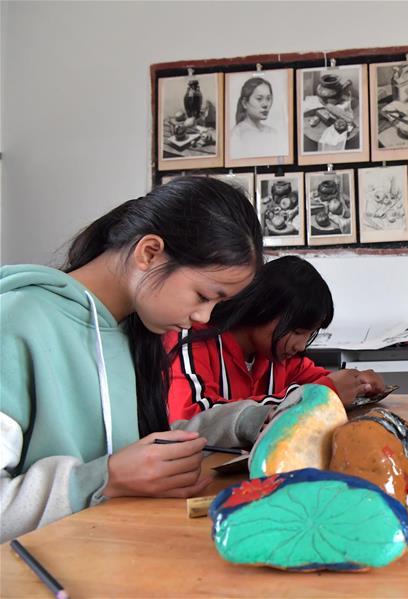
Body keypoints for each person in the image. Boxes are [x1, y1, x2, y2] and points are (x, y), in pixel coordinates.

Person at [0, 177, 265, 542]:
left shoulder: (129, 330)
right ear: (149, 253)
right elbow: (111, 467)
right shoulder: (16, 319)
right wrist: (100, 479)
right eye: (204, 295)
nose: (205, 318)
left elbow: (128, 450)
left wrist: (246, 420)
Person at [165, 256, 386, 423]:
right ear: (263, 309)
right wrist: (319, 394)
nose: (301, 345)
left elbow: (323, 380)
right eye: (298, 332)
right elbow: (192, 417)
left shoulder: (278, 356)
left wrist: (359, 382)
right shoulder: (192, 338)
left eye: (310, 335)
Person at [229, 76, 286, 158]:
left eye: (268, 99)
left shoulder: (272, 132)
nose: (265, 104)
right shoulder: (237, 135)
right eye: (259, 99)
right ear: (245, 103)